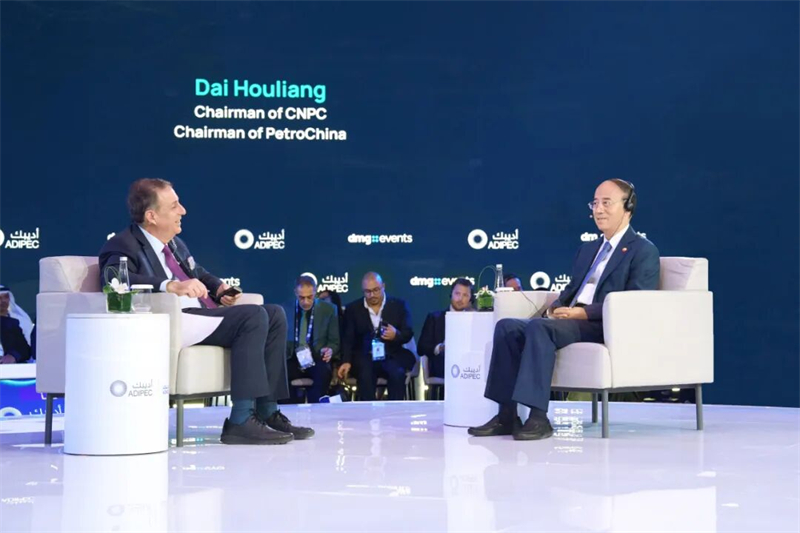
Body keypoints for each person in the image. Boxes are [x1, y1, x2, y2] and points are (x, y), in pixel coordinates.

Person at [99, 178, 313, 445]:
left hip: (198, 317)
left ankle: (267, 411)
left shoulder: (175, 244)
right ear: (151, 216)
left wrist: (218, 287)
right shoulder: (123, 244)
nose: (183, 211)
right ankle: (240, 420)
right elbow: (114, 280)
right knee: (253, 316)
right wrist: (169, 285)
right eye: (174, 206)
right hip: (172, 321)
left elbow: (197, 272)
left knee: (274, 314)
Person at [469, 179, 660, 441]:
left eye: (606, 203)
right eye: (595, 203)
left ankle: (538, 418)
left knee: (540, 329)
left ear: (628, 207)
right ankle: (506, 416)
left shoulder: (643, 250)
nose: (598, 210)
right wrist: (556, 308)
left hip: (603, 324)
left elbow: (634, 301)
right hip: (570, 320)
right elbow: (571, 290)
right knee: (508, 326)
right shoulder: (588, 250)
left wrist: (582, 313)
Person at [338, 272, 415, 401]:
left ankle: (395, 411)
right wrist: (346, 361)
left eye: (376, 290)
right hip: (365, 357)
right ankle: (368, 411)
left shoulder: (399, 306)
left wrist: (396, 334)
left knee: (397, 373)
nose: (372, 295)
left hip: (392, 355)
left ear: (383, 286)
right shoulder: (353, 309)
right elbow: (347, 339)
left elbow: (408, 333)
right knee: (365, 373)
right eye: (368, 291)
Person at [286, 276, 340, 403]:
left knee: (323, 372)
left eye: (309, 297)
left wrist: (329, 350)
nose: (305, 302)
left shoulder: (329, 309)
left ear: (315, 292)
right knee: (279, 372)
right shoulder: (285, 309)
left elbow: (335, 341)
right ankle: (288, 411)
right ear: (295, 293)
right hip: (292, 358)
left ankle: (316, 409)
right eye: (301, 297)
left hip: (317, 357)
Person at [418, 278, 474, 379]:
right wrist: (440, 348)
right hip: (442, 365)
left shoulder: (474, 320)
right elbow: (421, 348)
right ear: (451, 294)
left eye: (465, 295)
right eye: (457, 294)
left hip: (469, 365)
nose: (460, 299)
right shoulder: (434, 318)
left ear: (470, 299)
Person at [0, 286, 32, 364]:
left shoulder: (17, 322)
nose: (3, 301)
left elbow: (25, 348)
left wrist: (13, 356)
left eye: (6, 297)